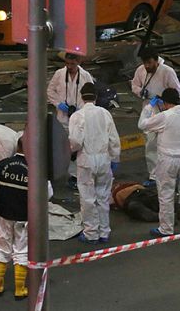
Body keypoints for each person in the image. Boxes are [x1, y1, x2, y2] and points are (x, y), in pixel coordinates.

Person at [137, 87, 180, 237]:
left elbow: (142, 124)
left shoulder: (165, 116)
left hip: (168, 160)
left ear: (165, 103)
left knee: (166, 194)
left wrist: (149, 107)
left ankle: (166, 229)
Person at [69, 83, 121, 244]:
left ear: (81, 97)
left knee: (87, 197)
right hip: (104, 159)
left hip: (86, 159)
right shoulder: (105, 113)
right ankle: (104, 231)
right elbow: (114, 138)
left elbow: (76, 141)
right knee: (103, 196)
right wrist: (115, 158)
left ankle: (91, 233)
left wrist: (71, 152)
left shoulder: (77, 116)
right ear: (96, 97)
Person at [131, 48, 180, 185]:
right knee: (151, 144)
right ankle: (154, 175)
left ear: (156, 60)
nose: (147, 66)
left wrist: (165, 100)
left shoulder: (167, 72)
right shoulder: (141, 70)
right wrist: (140, 92)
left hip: (166, 111)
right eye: (144, 63)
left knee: (168, 144)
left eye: (149, 62)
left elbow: (178, 92)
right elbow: (134, 85)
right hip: (150, 109)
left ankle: (171, 173)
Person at [47, 52, 95, 188]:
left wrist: (81, 110)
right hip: (63, 117)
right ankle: (58, 173)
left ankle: (74, 176)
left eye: (72, 64)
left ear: (78, 62)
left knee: (77, 147)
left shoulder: (86, 76)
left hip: (79, 118)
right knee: (62, 147)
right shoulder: (59, 74)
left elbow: (91, 95)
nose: (69, 66)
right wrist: (59, 104)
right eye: (67, 63)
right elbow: (50, 91)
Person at [0, 138, 30, 300]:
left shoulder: (3, 164)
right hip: (23, 215)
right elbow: (47, 193)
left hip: (3, 212)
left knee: (2, 246)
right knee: (21, 249)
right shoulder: (36, 169)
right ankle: (19, 289)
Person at [111, 181, 180, 224]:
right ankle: (168, 218)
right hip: (131, 201)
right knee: (137, 208)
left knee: (166, 204)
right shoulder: (111, 194)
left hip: (144, 193)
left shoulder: (126, 184)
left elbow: (141, 186)